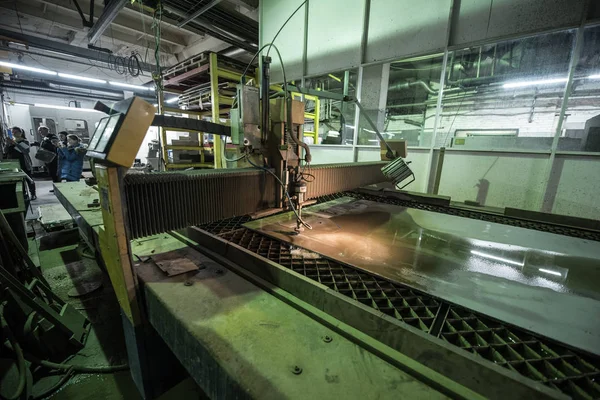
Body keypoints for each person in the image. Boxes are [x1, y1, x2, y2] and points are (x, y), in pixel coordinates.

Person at [3, 126, 36, 200]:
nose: (14, 134)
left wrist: (15, 143)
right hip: (14, 163)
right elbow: (5, 151)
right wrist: (7, 144)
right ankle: (23, 194)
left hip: (23, 162)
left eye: (16, 132)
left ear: (21, 133)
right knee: (19, 179)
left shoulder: (24, 141)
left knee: (28, 178)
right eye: (13, 132)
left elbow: (25, 150)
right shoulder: (11, 142)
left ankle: (33, 193)